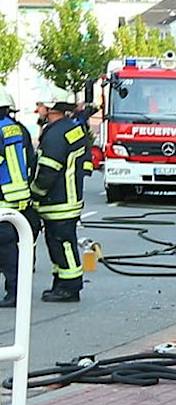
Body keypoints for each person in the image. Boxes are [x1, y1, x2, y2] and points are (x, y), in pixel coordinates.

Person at [31, 99, 91, 304]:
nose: (37, 109)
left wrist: (35, 193)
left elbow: (48, 170)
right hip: (69, 196)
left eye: (40, 105)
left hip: (58, 200)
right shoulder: (71, 128)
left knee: (62, 244)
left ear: (51, 108)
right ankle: (61, 283)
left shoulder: (56, 134)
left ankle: (69, 288)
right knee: (59, 244)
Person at [0, 96, 35, 308]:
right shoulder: (14, 127)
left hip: (4, 195)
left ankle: (14, 293)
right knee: (11, 246)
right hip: (18, 193)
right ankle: (16, 290)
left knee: (6, 249)